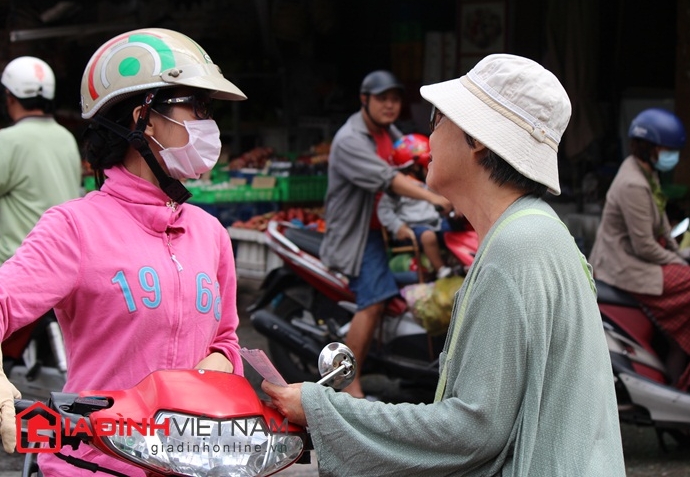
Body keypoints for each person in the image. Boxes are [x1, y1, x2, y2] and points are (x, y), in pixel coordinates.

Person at [264, 54, 626, 476]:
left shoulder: (516, 248)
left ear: (477, 140)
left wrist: (323, 408)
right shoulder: (538, 232)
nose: (428, 136)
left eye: (438, 120)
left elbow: (472, 429)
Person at [0, 28, 247, 475]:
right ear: (144, 118)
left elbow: (227, 338)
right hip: (93, 465)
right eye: (194, 105)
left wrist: (221, 360)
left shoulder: (211, 234)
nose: (206, 122)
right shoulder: (73, 228)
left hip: (193, 464)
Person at [318, 70, 452, 398]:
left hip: (390, 230)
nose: (390, 106)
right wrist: (435, 197)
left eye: (395, 99)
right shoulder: (350, 139)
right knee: (375, 301)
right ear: (364, 100)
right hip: (361, 236)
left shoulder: (389, 132)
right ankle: (349, 383)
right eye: (382, 99)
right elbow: (388, 179)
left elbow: (414, 160)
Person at [590, 108, 690, 390]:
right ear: (649, 147)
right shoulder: (633, 183)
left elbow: (660, 230)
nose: (672, 155)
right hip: (625, 267)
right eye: (667, 149)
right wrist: (678, 262)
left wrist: (676, 252)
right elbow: (645, 246)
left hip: (639, 258)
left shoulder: (646, 173)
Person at [0, 56, 82, 265]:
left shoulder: (7, 140)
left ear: (9, 97)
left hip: (18, 269)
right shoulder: (66, 137)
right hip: (62, 262)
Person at [378, 133, 453, 280]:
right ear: (413, 167)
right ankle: (442, 270)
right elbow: (383, 209)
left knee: (454, 230)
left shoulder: (427, 181)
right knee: (428, 236)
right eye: (426, 163)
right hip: (414, 228)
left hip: (435, 222)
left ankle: (458, 262)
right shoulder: (399, 188)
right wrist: (398, 226)